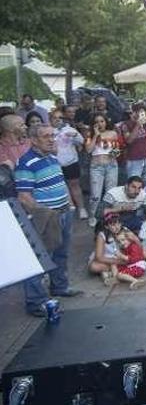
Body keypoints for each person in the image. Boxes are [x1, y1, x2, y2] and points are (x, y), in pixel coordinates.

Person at [15, 123, 82, 316]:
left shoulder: (52, 158)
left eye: (52, 135)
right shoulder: (25, 163)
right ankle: (36, 302)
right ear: (33, 140)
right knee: (41, 258)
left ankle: (59, 286)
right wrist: (45, 212)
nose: (51, 139)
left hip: (63, 212)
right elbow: (24, 197)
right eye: (46, 136)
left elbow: (62, 184)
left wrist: (70, 206)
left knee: (61, 253)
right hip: (46, 216)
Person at [50, 109, 87, 219]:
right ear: (50, 119)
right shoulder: (48, 131)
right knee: (61, 187)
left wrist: (75, 134)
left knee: (74, 185)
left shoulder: (69, 129)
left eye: (60, 117)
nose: (57, 120)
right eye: (55, 117)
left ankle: (81, 208)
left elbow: (81, 141)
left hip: (71, 163)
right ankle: (69, 207)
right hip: (55, 164)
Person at [85, 113, 120, 227]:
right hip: (96, 168)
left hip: (111, 166)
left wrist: (114, 153)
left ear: (106, 122)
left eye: (102, 121)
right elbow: (89, 150)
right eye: (97, 122)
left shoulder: (113, 133)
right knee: (96, 195)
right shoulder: (90, 134)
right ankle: (93, 215)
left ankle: (109, 215)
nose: (100, 124)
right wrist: (96, 135)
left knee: (110, 193)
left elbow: (117, 150)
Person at [118, 104, 146, 184]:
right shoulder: (125, 124)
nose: (141, 114)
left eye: (143, 112)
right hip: (134, 159)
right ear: (134, 113)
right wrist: (138, 125)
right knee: (134, 184)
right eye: (140, 112)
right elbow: (129, 140)